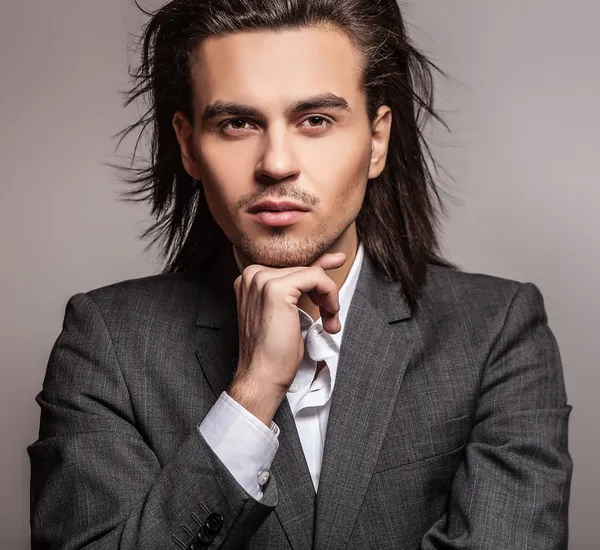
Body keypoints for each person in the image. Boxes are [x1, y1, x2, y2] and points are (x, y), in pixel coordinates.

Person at [27, 0, 573, 548]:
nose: (277, 163)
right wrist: (251, 394)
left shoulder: (494, 332)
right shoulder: (106, 343)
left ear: (377, 139)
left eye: (315, 120)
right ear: (189, 144)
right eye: (237, 123)